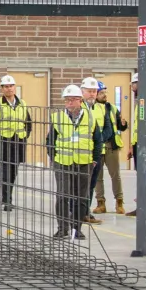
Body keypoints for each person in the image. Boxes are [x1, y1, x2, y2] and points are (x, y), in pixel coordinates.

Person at [46, 84, 93, 241]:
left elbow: (98, 139)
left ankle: (76, 229)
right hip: (63, 162)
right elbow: (50, 141)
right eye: (67, 100)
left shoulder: (90, 117)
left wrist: (95, 159)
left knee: (81, 197)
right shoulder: (58, 118)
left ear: (80, 100)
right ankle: (62, 229)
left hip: (84, 162)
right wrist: (54, 159)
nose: (69, 103)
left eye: (73, 100)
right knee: (62, 196)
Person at [0, 75, 31, 212]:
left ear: (15, 87)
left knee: (13, 172)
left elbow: (28, 122)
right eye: (6, 86)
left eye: (11, 86)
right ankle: (7, 200)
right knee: (5, 171)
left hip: (18, 142)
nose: (9, 89)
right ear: (2, 89)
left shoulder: (22, 103)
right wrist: (0, 136)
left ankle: (7, 197)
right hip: (4, 142)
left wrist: (25, 135)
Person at [78, 77, 113, 224]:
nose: (92, 94)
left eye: (94, 91)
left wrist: (98, 138)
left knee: (91, 185)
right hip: (82, 153)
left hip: (96, 153)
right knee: (81, 185)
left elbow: (108, 128)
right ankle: (79, 213)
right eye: (89, 91)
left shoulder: (100, 108)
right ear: (82, 92)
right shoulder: (79, 108)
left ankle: (85, 212)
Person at [92, 82, 127, 214]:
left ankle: (119, 202)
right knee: (97, 177)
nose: (104, 95)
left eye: (105, 92)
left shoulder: (112, 108)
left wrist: (123, 124)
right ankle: (101, 203)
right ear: (96, 94)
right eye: (102, 93)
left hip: (111, 146)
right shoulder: (91, 108)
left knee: (115, 175)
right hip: (97, 147)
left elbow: (119, 125)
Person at [126, 72, 139, 217]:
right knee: (140, 176)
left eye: (133, 84)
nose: (131, 87)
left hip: (143, 146)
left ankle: (142, 206)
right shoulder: (139, 101)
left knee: (144, 176)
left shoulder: (145, 101)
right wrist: (132, 146)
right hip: (137, 145)